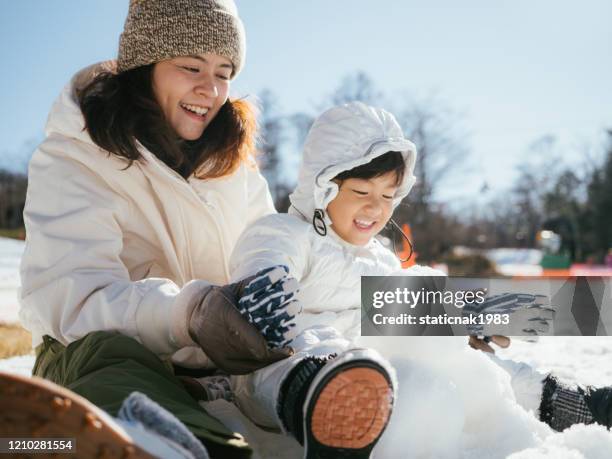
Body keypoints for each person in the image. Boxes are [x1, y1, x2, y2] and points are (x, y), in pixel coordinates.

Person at [17, 1, 297, 457]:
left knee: (303, 356)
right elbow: (70, 302)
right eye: (191, 66)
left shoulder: (235, 171)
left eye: (224, 71)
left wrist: (441, 310)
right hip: (94, 358)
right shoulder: (75, 158)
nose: (210, 89)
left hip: (220, 369)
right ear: (145, 65)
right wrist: (187, 314)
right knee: (113, 359)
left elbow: (278, 256)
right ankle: (149, 444)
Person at [184, 102, 444, 458]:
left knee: (440, 353)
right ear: (325, 187)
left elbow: (414, 313)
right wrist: (265, 288)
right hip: (279, 365)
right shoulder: (286, 232)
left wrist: (477, 320)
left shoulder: (381, 258)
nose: (376, 208)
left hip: (371, 375)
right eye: (362, 192)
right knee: (308, 345)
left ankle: (533, 394)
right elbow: (265, 259)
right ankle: (326, 398)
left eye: (388, 196)